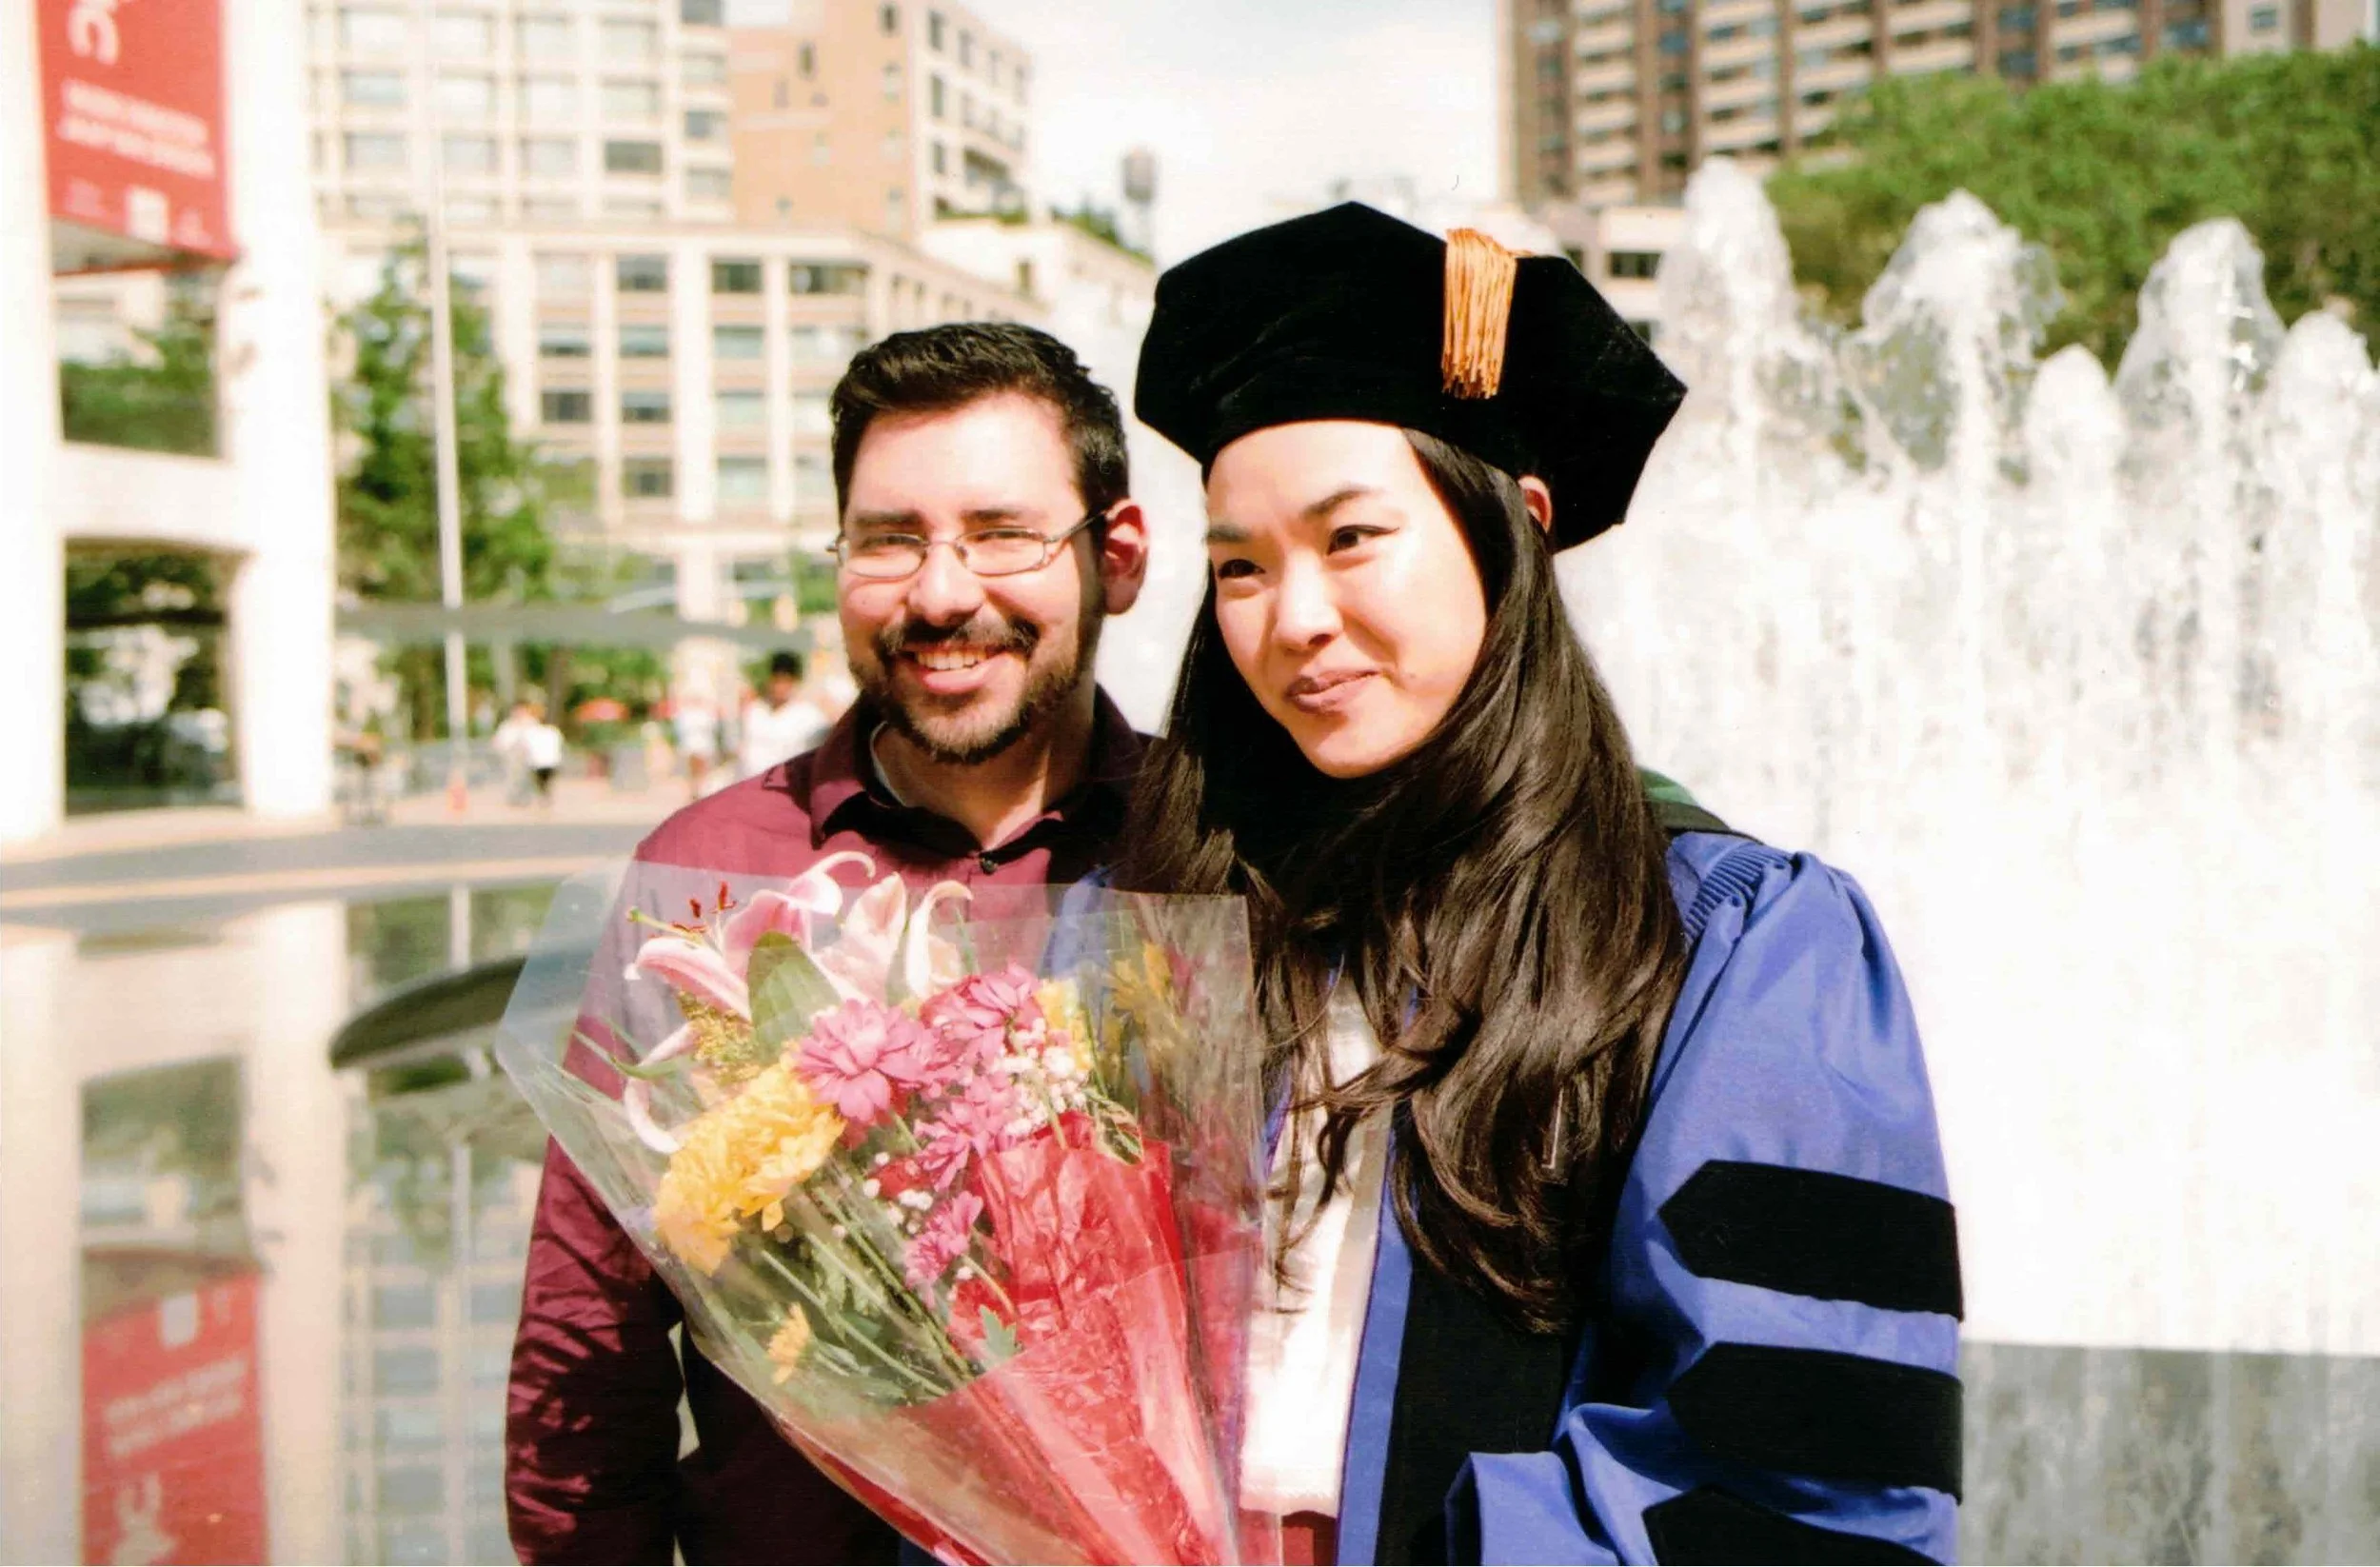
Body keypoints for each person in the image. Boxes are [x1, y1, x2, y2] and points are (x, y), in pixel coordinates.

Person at [1121, 204, 1962, 1564]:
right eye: (1239, 566)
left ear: (1512, 522)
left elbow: (1806, 1470)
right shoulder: (1177, 919)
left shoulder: (1725, 943)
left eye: (1351, 538)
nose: (1295, 619)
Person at [504, 321, 1151, 1564]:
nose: (942, 590)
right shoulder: (706, 877)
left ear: (1114, 557)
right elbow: (588, 1365)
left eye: (1003, 533)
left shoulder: (1223, 863)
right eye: (888, 538)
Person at [739, 650, 831, 780]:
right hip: (748, 783)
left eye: (785, 681)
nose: (780, 687)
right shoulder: (755, 711)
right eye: (776, 680)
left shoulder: (809, 716)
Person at [522, 703, 565, 810]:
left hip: (538, 762)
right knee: (546, 783)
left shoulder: (533, 732)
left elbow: (526, 747)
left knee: (541, 784)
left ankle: (543, 799)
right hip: (550, 762)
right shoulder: (553, 731)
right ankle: (545, 799)